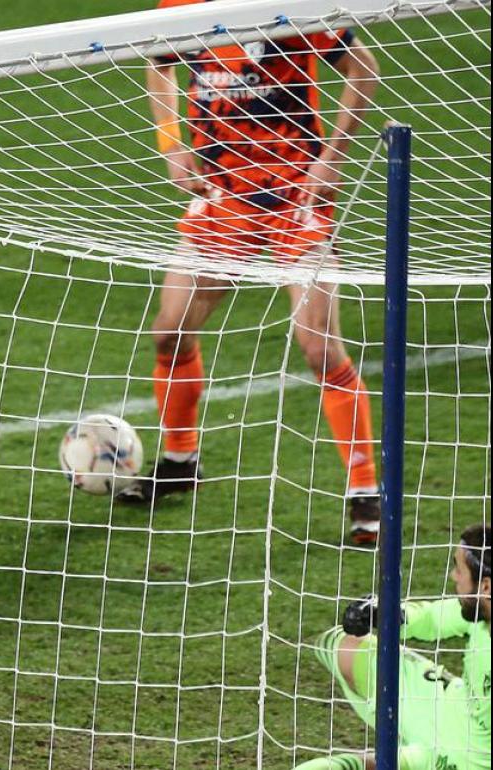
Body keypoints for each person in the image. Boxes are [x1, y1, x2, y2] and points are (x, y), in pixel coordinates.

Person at [119, 0, 384, 546]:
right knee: (170, 330)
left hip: (294, 193)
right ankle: (180, 459)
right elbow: (157, 60)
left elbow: (364, 67)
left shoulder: (291, 7)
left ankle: (365, 491)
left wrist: (332, 157)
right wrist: (171, 145)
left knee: (318, 348)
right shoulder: (182, 8)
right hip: (223, 195)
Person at [295, 523, 491, 769]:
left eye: (459, 569)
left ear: (485, 586)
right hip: (450, 705)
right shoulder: (479, 614)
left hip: (461, 760)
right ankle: (399, 733)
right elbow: (433, 617)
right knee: (343, 646)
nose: (453, 576)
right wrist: (384, 613)